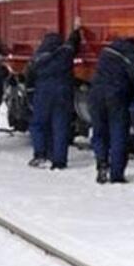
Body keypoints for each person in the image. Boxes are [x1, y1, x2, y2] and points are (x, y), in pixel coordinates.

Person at [88, 36, 134, 184]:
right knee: (118, 134)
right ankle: (117, 174)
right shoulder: (131, 54)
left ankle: (101, 163)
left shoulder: (106, 51)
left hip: (95, 94)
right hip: (116, 96)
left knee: (100, 132)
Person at [25, 28, 82, 169]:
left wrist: (30, 94)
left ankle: (40, 155)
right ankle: (59, 161)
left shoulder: (37, 57)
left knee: (38, 125)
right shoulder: (64, 54)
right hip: (62, 93)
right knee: (60, 126)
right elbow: (72, 44)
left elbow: (29, 78)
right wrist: (75, 35)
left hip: (43, 94)